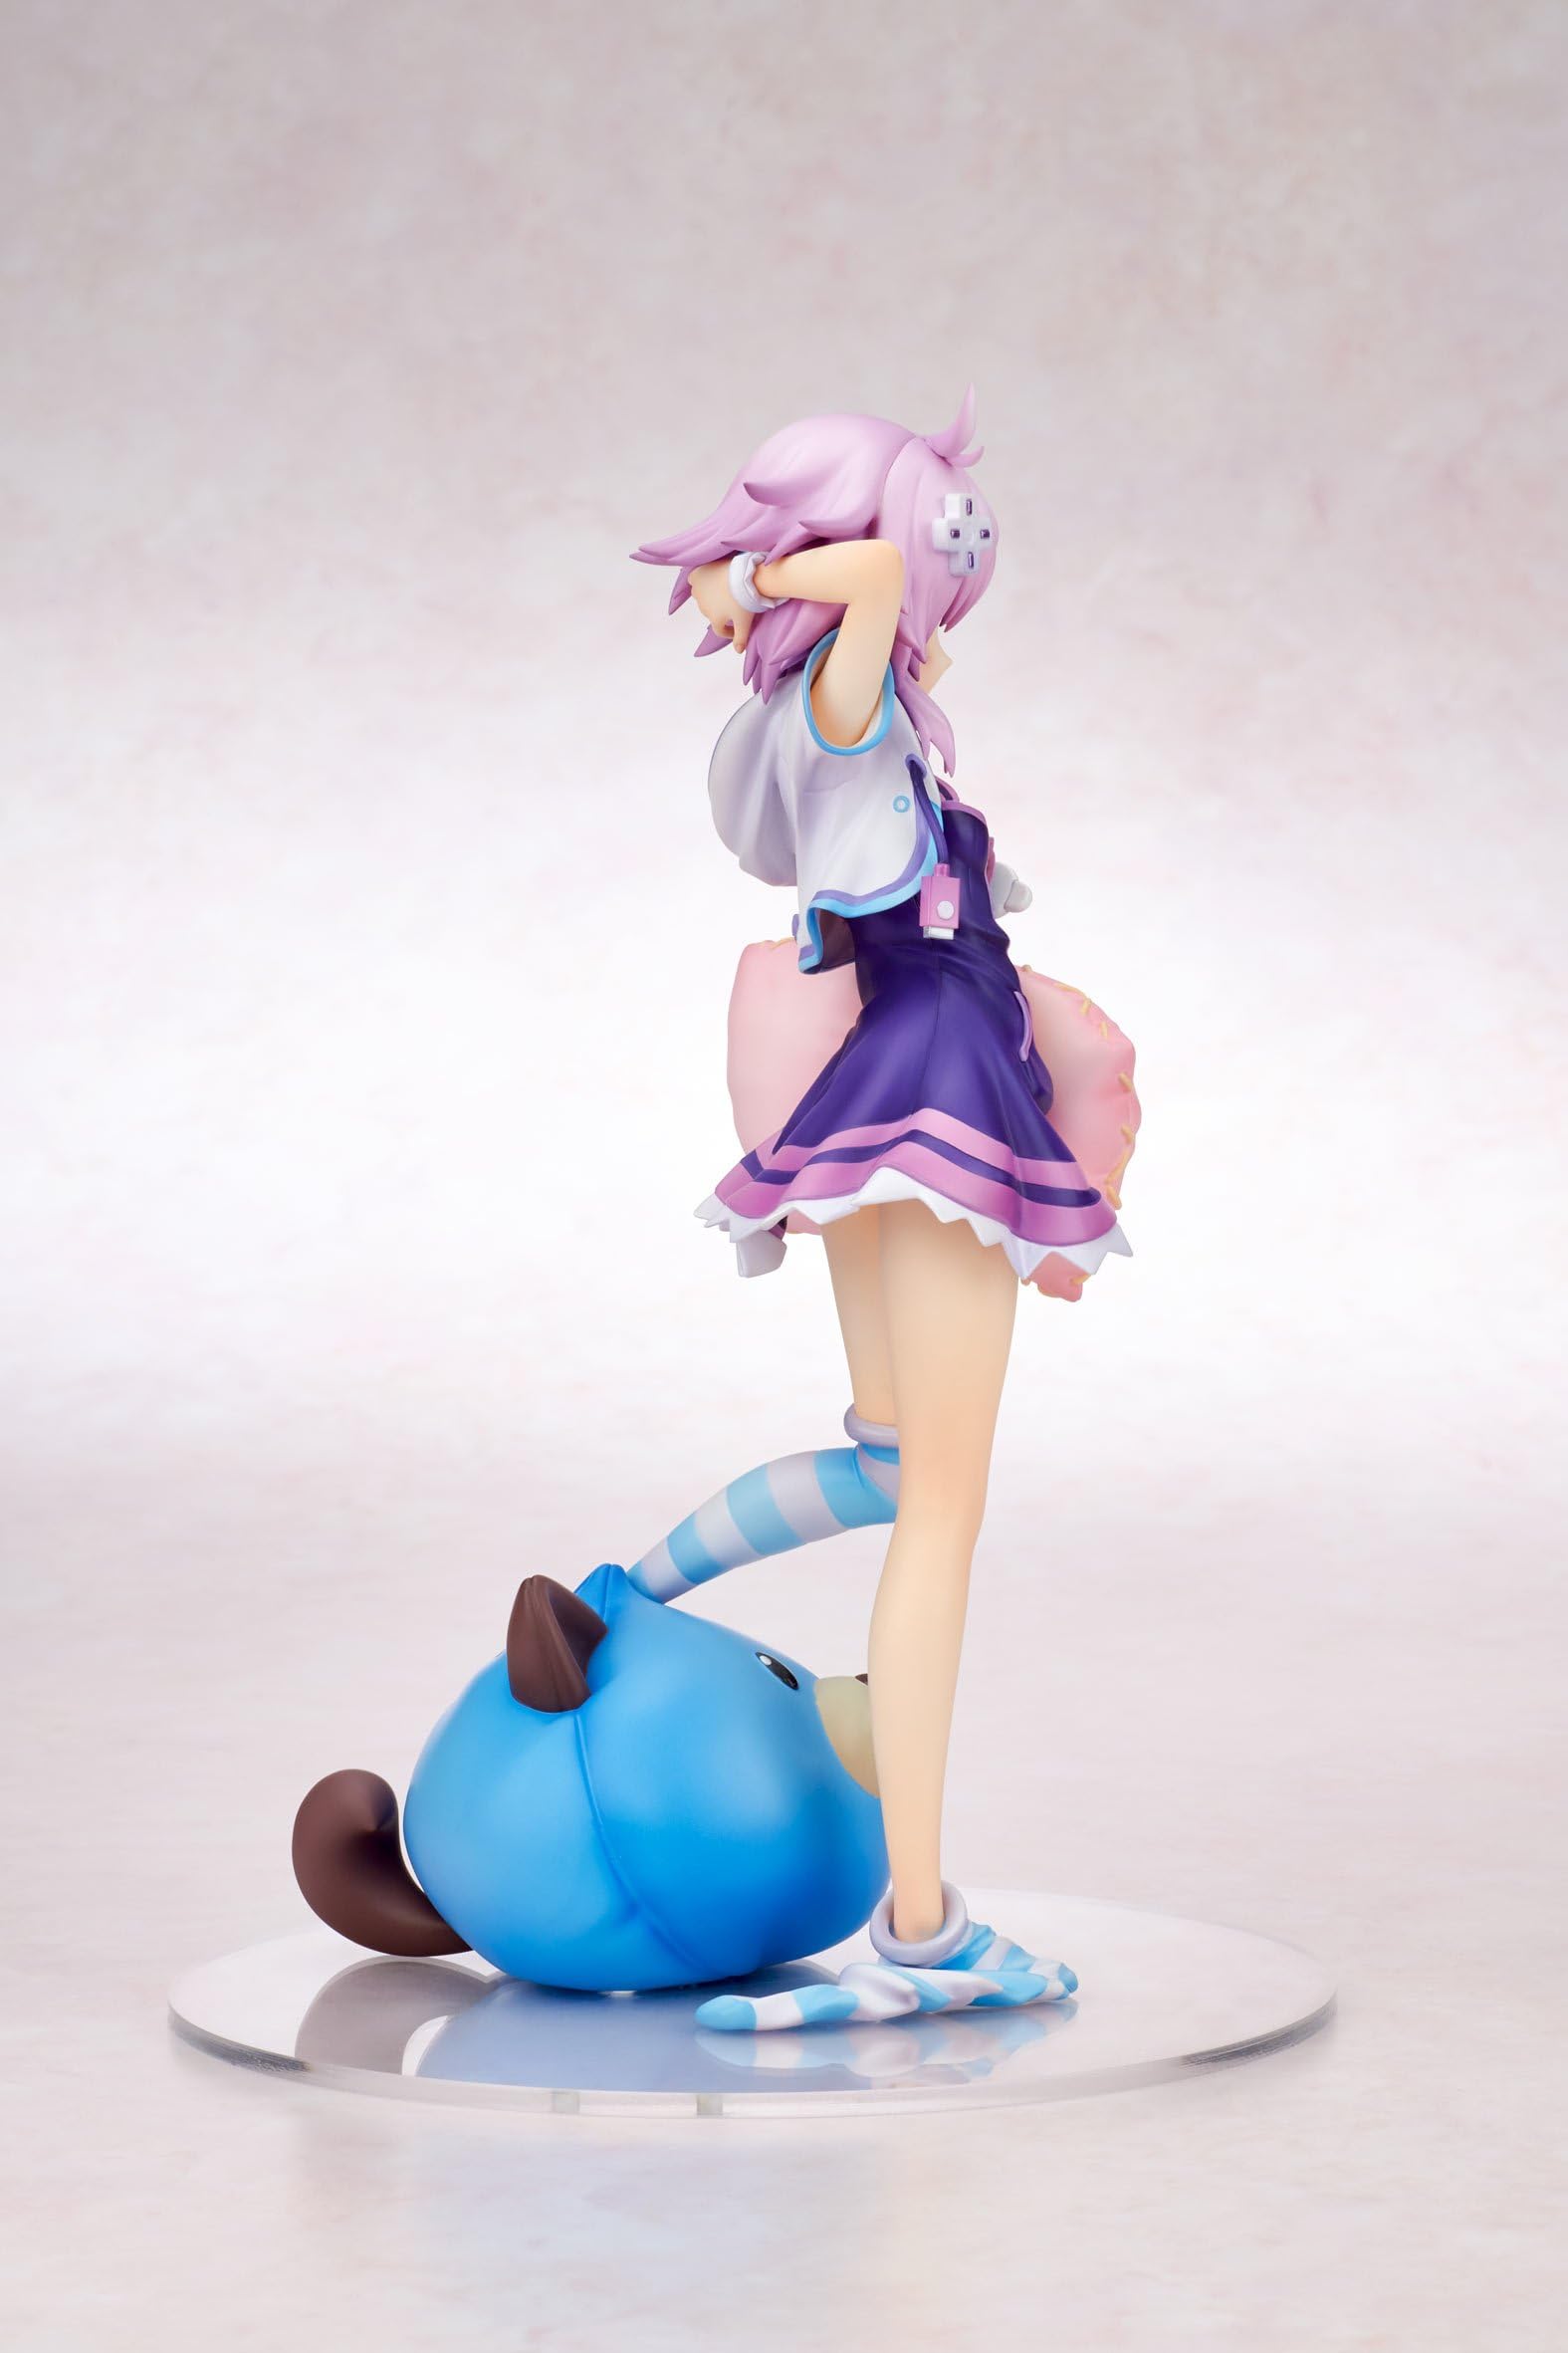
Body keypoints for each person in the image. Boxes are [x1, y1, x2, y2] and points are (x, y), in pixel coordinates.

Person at [633, 395, 1132, 2027]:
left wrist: (762, 588)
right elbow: (862, 585)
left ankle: (635, 1581)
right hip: (934, 1103)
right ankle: (924, 1931)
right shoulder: (846, 704)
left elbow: (867, 596)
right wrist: (758, 580)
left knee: (896, 1466)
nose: (943, 575)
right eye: (942, 542)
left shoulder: (863, 723)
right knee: (944, 1513)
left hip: (884, 1092)